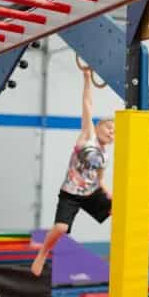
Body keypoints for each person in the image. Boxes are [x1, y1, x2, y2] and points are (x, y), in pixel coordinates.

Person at [31, 68, 113, 277]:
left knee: (120, 209)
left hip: (91, 193)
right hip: (70, 193)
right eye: (109, 127)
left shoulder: (105, 154)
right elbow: (87, 105)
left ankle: (118, 252)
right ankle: (43, 252)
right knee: (60, 228)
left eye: (114, 131)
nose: (112, 132)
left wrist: (107, 192)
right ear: (98, 126)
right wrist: (87, 79)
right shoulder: (88, 136)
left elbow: (99, 178)